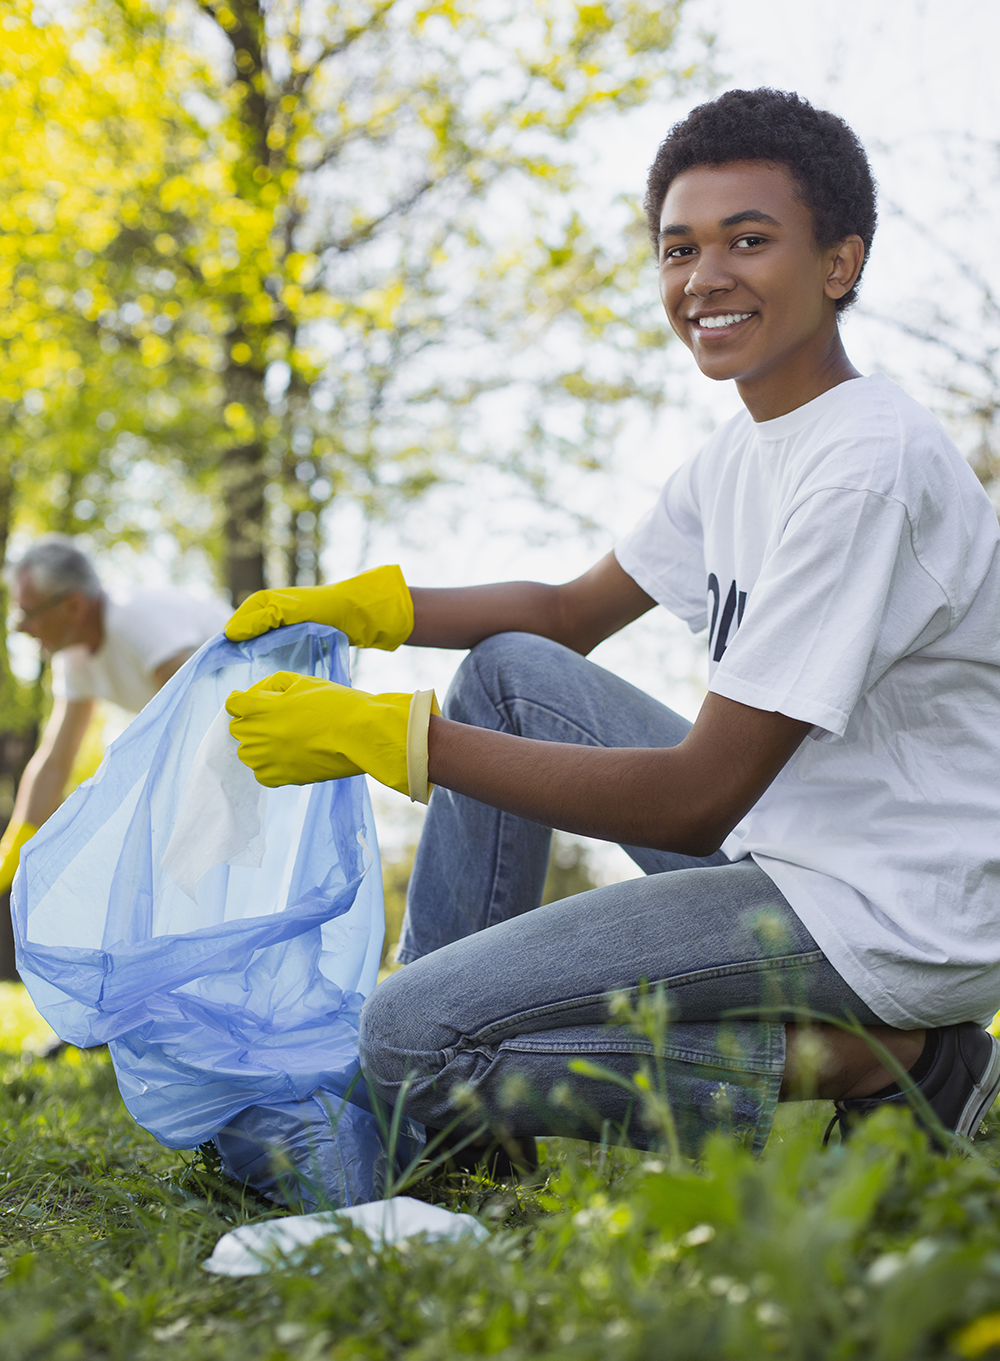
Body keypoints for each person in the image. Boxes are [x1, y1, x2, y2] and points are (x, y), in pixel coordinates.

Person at [224, 88, 1000, 1159]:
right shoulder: (743, 449)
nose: (705, 276)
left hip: (892, 909)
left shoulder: (865, 467)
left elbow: (693, 797)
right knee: (510, 669)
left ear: (838, 264)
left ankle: (898, 1059)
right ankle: (438, 1129)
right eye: (679, 248)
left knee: (407, 1034)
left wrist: (396, 742)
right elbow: (566, 615)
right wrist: (371, 607)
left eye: (748, 240)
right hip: (790, 852)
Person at [0, 537, 230, 902]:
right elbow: (54, 761)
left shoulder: (133, 618)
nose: (20, 628)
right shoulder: (74, 657)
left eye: (27, 613)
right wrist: (15, 849)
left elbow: (199, 716)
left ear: (72, 606)